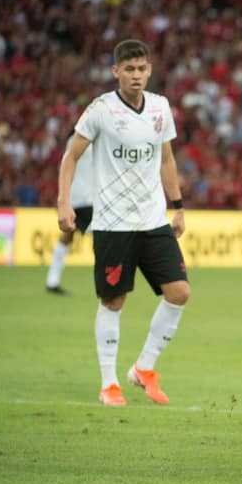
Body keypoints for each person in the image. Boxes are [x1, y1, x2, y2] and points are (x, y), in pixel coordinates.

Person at [57, 38, 190, 406]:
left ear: (149, 70)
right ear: (116, 71)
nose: (136, 75)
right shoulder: (100, 109)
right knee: (114, 300)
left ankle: (143, 369)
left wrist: (177, 206)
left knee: (179, 292)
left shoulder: (161, 108)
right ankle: (108, 383)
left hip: (152, 220)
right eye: (128, 69)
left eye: (141, 69)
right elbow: (71, 157)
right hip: (113, 222)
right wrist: (64, 202)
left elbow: (166, 160)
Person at [46, 136, 93, 295]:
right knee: (103, 239)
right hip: (87, 200)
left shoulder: (74, 140)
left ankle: (52, 281)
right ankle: (107, 282)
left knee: (67, 237)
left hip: (73, 199)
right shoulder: (89, 140)